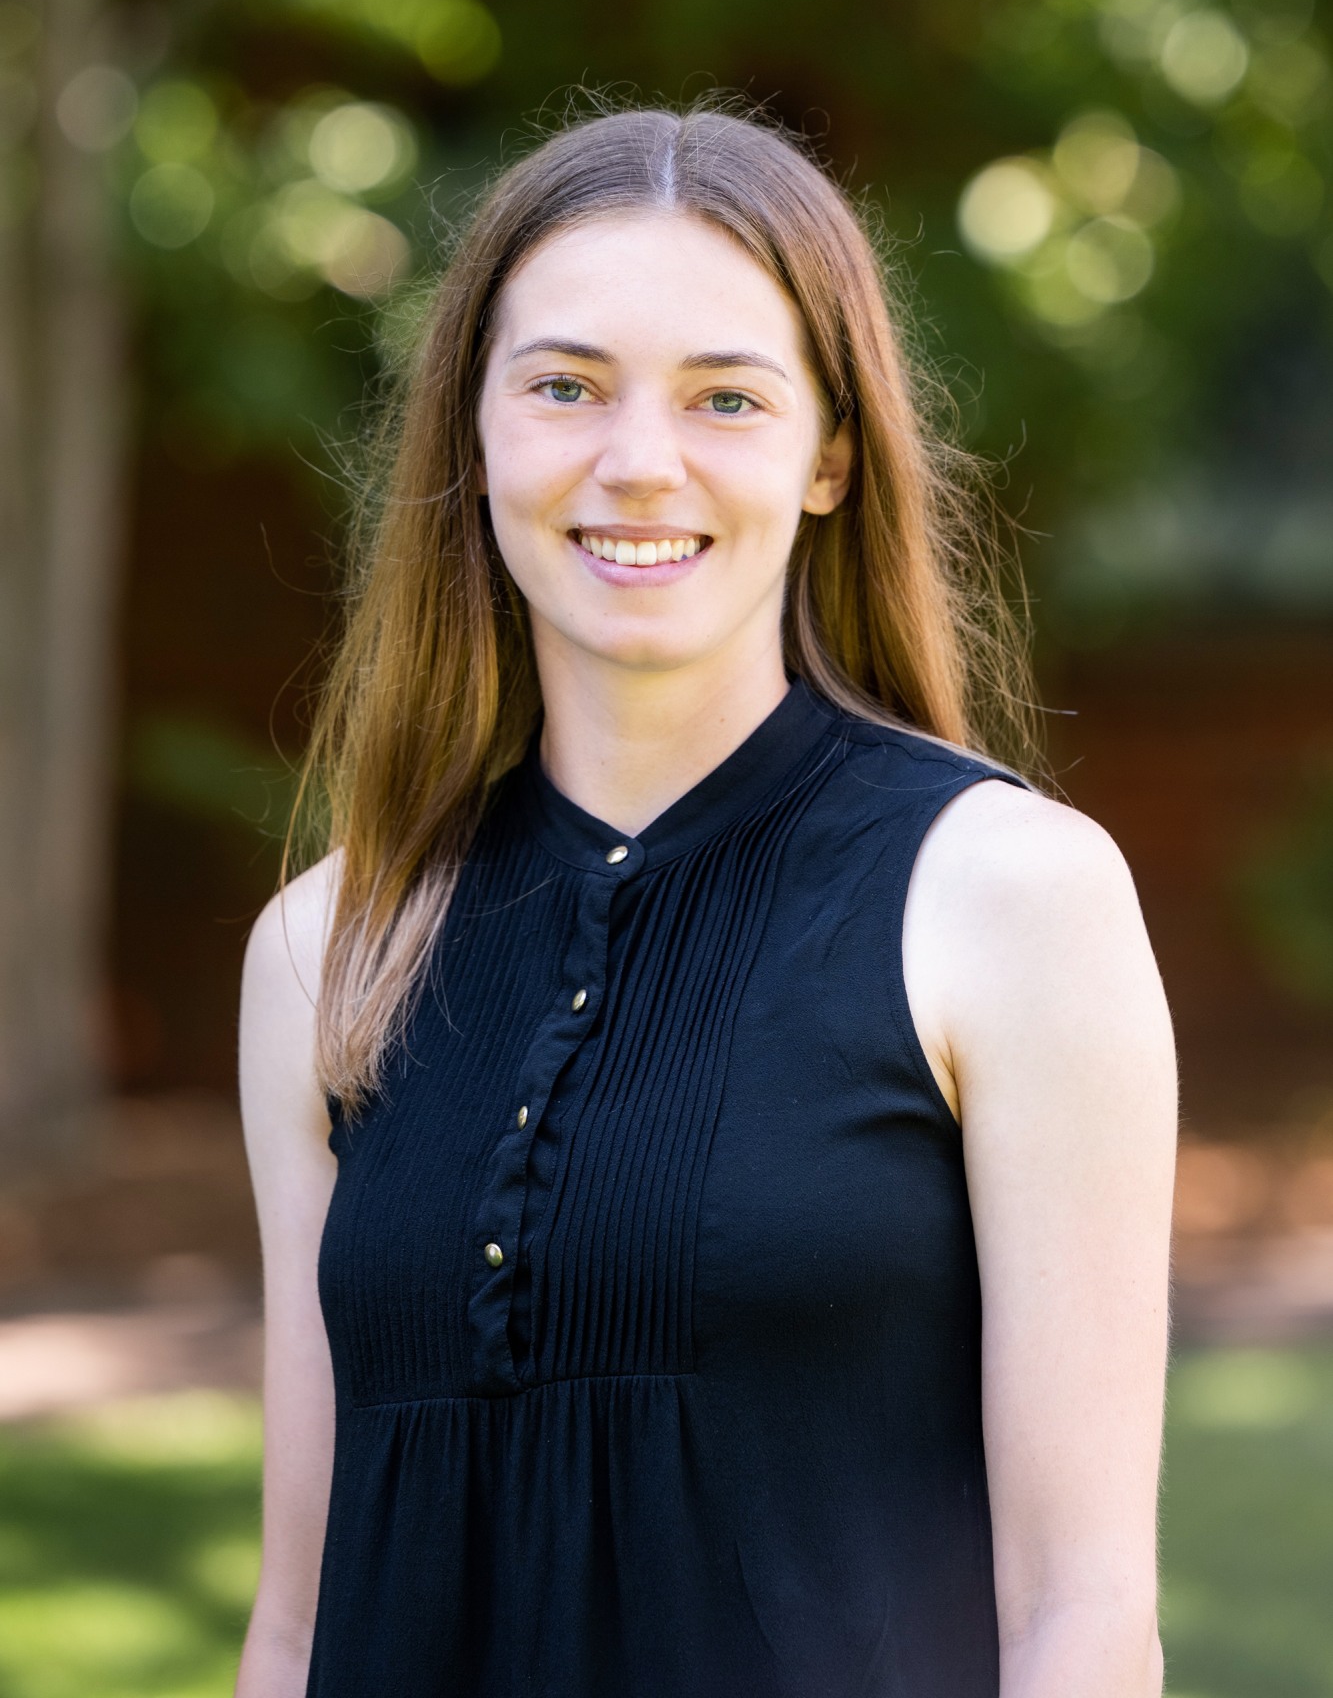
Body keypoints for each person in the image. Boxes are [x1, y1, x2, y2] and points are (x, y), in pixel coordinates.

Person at [235, 103, 1177, 1698]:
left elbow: (1081, 1616)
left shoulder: (1009, 897)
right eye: (564, 386)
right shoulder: (332, 945)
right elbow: (297, 1619)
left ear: (828, 457)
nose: (637, 461)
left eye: (724, 396)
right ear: (474, 438)